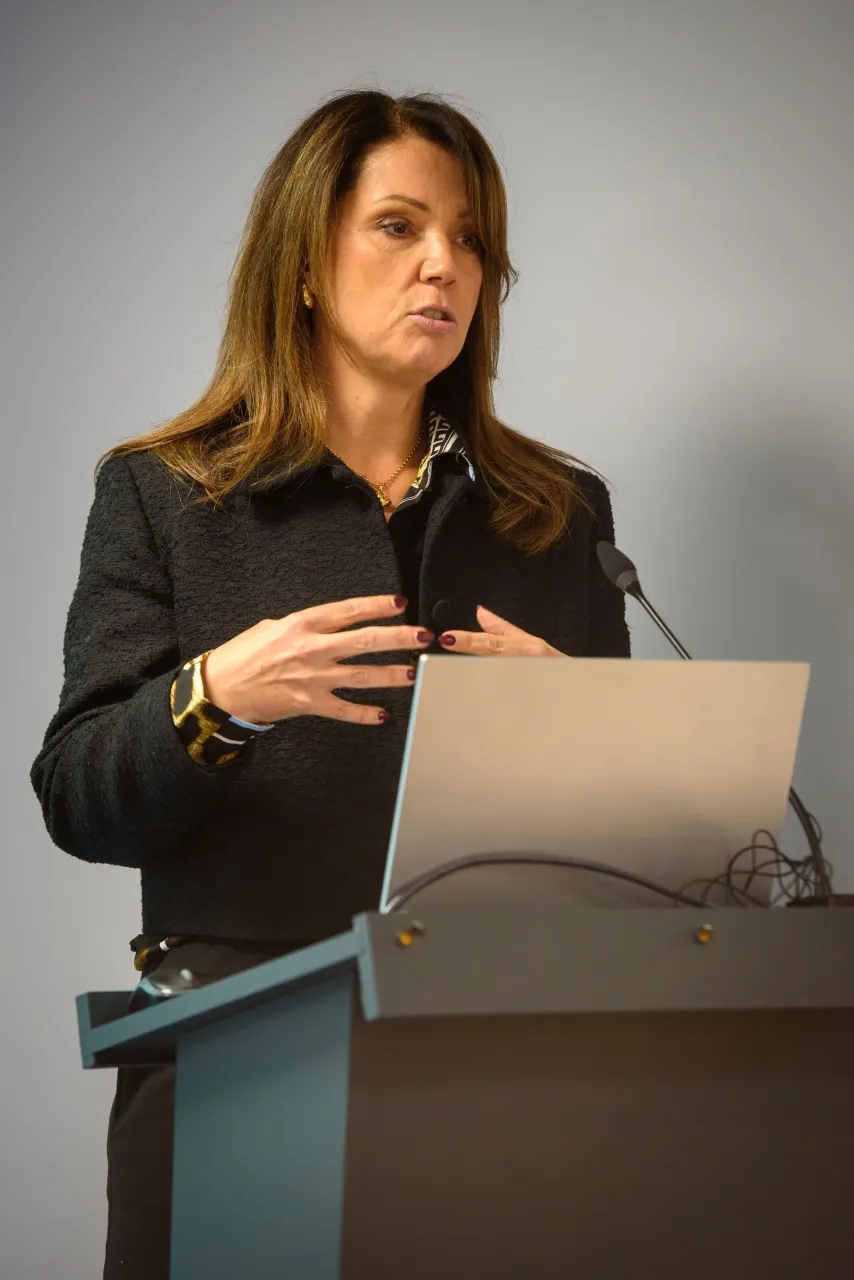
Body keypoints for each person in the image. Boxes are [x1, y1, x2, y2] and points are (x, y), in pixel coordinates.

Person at [30, 88, 630, 1279]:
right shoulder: (162, 494)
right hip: (234, 1054)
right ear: (304, 260)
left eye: (468, 240)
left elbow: (636, 856)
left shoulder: (555, 516)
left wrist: (589, 727)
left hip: (503, 1064)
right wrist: (217, 694)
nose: (442, 267)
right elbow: (80, 796)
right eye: (398, 227)